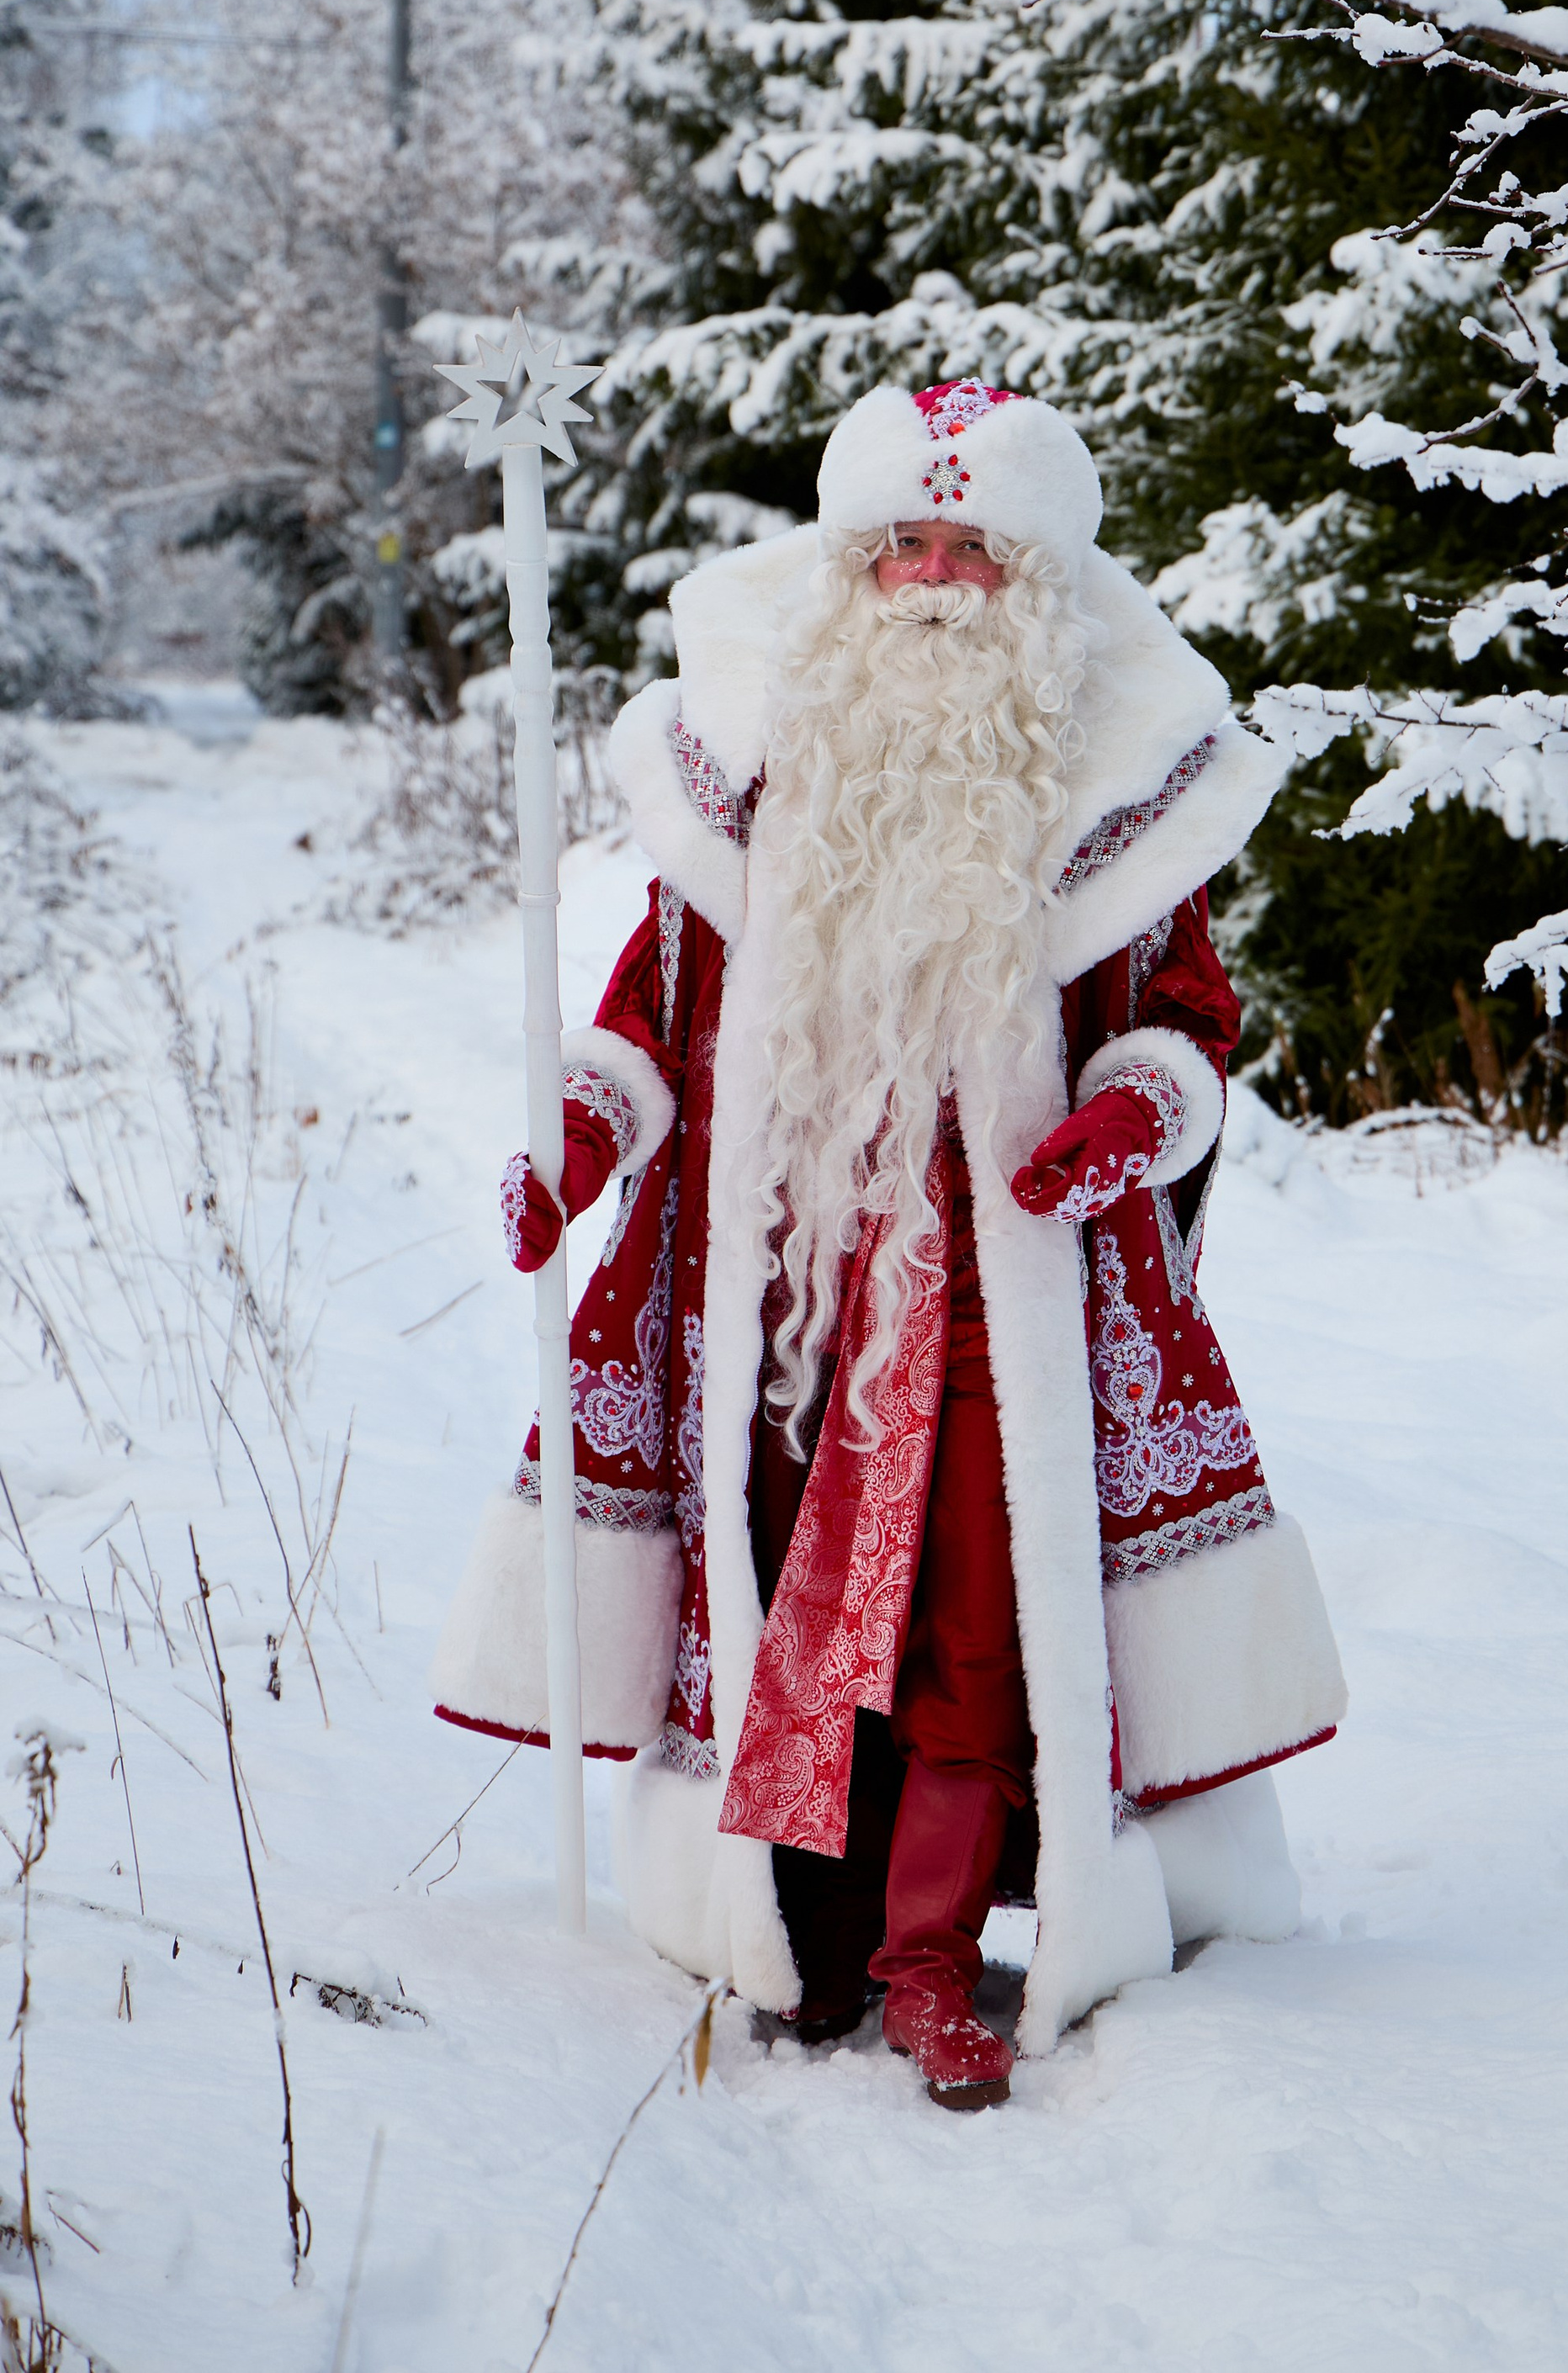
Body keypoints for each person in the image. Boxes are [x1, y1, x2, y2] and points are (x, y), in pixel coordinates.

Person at [431, 381, 1345, 2107]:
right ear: (850, 567)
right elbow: (647, 1013)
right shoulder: (745, 772)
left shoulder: (1116, 788)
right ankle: (810, 1933)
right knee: (791, 1612)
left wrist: (1127, 1117)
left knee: (982, 1635)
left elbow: (1185, 1026)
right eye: (903, 544)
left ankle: (931, 1963)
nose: (932, 579)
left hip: (1009, 1285)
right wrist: (581, 1139)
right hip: (790, 1292)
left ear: (1038, 582)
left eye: (972, 549)